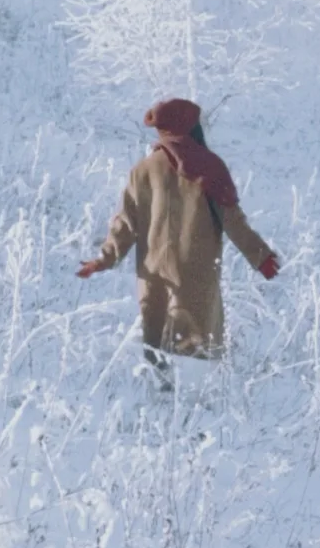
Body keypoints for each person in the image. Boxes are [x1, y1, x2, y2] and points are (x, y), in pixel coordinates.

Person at [77, 98, 279, 370]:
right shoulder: (211, 168)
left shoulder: (143, 170)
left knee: (157, 353)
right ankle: (196, 410)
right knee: (197, 357)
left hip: (155, 277)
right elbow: (233, 220)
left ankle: (158, 405)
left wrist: (103, 258)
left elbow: (124, 223)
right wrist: (261, 257)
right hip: (196, 276)